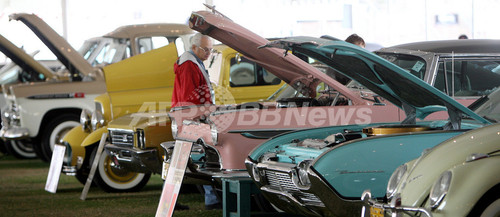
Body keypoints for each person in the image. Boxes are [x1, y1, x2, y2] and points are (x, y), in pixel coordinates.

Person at [171, 33, 221, 210]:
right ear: (194, 48)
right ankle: (210, 199)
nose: (209, 53)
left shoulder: (191, 62)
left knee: (188, 159)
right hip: (190, 118)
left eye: (211, 50)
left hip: (188, 117)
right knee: (191, 158)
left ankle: (209, 199)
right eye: (206, 49)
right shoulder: (190, 65)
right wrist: (199, 116)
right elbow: (189, 96)